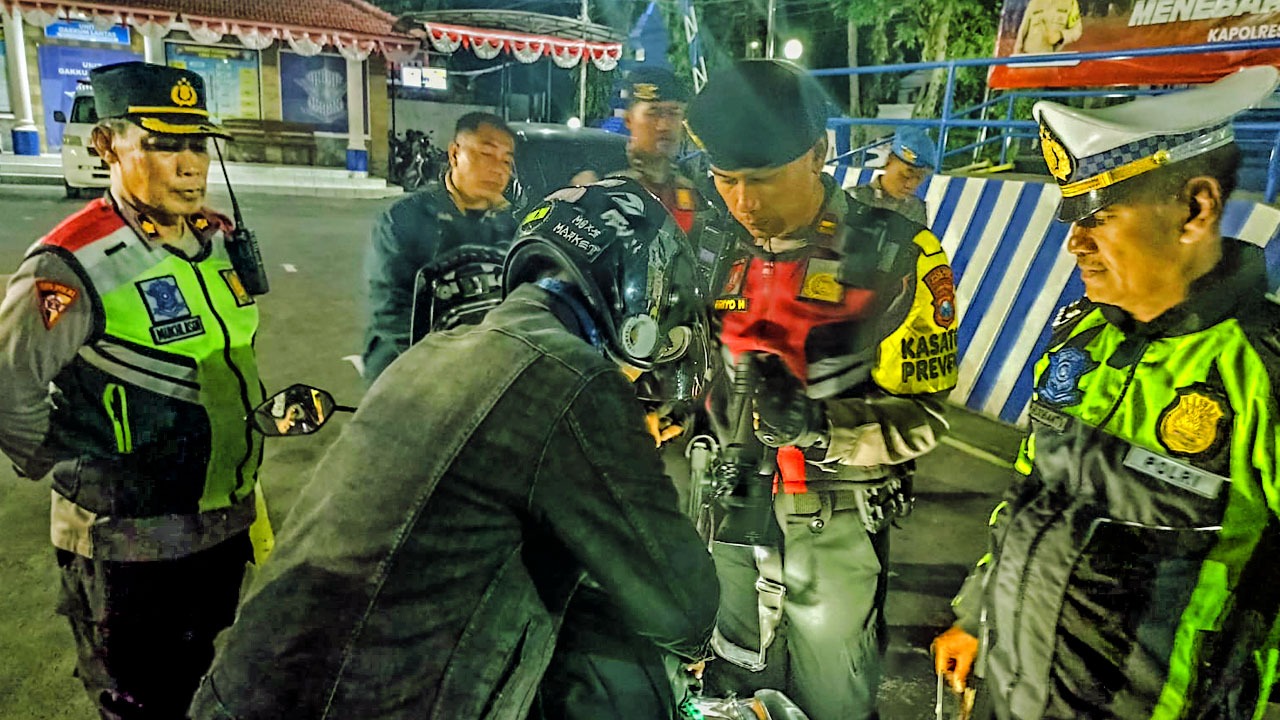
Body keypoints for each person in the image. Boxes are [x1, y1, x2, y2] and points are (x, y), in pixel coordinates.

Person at [189, 177, 720, 720]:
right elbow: (682, 602)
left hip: (240, 690)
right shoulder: (575, 378)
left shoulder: (435, 352)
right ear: (638, 307)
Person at [932, 65, 1280, 720]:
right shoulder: (1080, 335)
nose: (1074, 242)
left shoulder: (1261, 373)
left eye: (1099, 215)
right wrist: (976, 614)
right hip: (1012, 691)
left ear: (1195, 209)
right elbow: (1031, 490)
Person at [685, 59, 959, 720]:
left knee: (832, 699)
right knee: (730, 689)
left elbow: (925, 417)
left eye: (763, 179)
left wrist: (819, 425)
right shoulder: (716, 244)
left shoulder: (896, 254)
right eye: (726, 180)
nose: (745, 203)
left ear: (818, 153)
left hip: (831, 524)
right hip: (726, 508)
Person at [0, 62, 269, 720]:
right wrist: (63, 457)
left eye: (197, 144)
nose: (189, 164)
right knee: (141, 703)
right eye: (162, 144)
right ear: (106, 146)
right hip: (128, 546)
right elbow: (8, 383)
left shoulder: (216, 241)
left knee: (206, 681)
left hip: (221, 524)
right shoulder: (70, 262)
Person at [361, 111, 518, 382]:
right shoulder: (404, 218)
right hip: (407, 368)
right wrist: (453, 366)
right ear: (455, 154)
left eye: (506, 160)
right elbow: (391, 311)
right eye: (486, 154)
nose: (499, 169)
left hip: (487, 368)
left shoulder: (513, 226)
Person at [609, 66, 714, 237]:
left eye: (673, 113)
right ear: (629, 119)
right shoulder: (609, 180)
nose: (664, 126)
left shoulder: (691, 184)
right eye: (653, 113)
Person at [848, 126, 936, 226]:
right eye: (906, 175)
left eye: (919, 178)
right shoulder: (853, 199)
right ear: (888, 161)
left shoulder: (915, 209)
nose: (911, 185)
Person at [1014, 0, 1083, 54]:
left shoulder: (1070, 3)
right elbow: (1022, 31)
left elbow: (1077, 30)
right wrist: (1016, 56)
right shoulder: (1034, 3)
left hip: (1055, 59)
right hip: (1031, 58)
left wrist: (1061, 36)